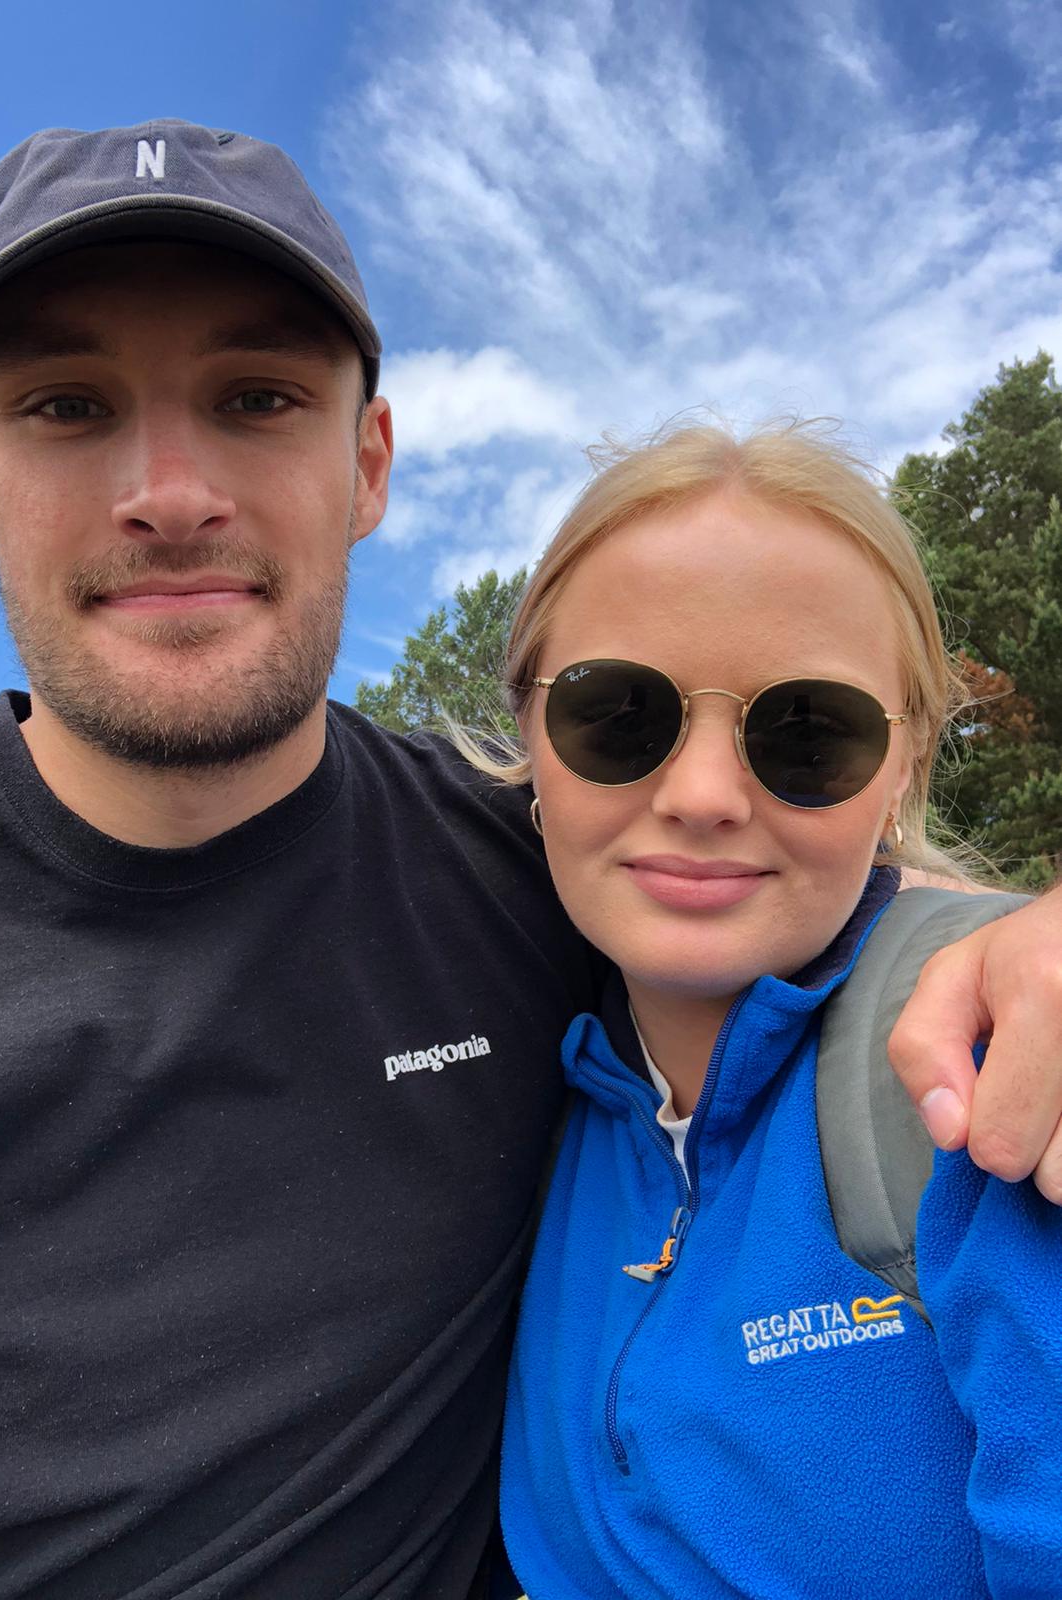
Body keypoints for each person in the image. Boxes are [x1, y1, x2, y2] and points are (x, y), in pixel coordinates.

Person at [0, 119, 1058, 1599]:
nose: (168, 494)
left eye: (254, 396)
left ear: (368, 463)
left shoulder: (544, 879)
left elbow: (821, 898)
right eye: (62, 403)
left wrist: (1017, 945)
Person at [489, 423, 1062, 1598]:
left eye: (806, 733)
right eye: (615, 717)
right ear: (527, 737)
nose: (699, 796)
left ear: (900, 766)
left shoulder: (993, 1069)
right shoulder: (517, 1062)